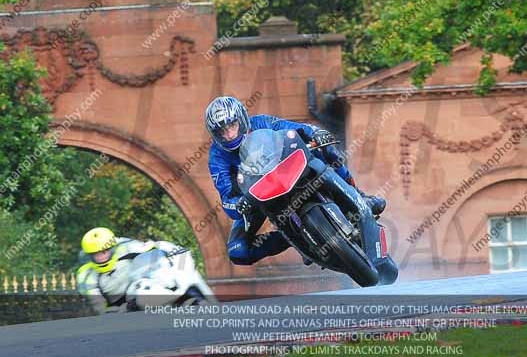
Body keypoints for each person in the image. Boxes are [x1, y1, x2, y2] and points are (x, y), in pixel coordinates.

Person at [205, 96, 386, 266]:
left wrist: (316, 133)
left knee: (324, 149)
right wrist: (239, 205)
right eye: (222, 132)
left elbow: (296, 128)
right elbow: (227, 197)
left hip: (290, 170)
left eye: (232, 126)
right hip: (257, 197)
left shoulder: (260, 122)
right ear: (215, 135)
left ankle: (360, 196)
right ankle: (296, 240)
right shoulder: (216, 157)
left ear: (242, 120)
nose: (229, 134)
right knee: (238, 252)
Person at [76, 227, 182, 313]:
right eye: (96, 254)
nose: (100, 257)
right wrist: (119, 309)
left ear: (111, 248)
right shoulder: (86, 275)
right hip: (117, 309)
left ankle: (178, 294)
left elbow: (152, 245)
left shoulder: (125, 246)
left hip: (137, 290)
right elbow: (99, 307)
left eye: (104, 252)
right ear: (89, 255)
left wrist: (175, 251)